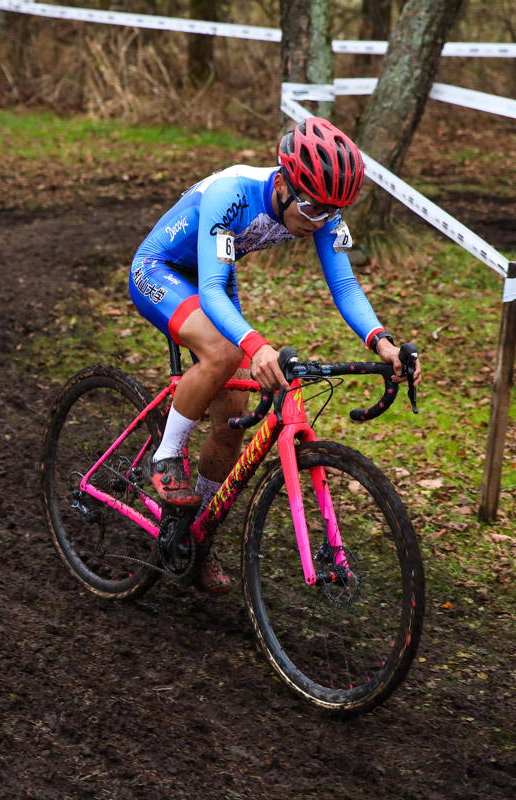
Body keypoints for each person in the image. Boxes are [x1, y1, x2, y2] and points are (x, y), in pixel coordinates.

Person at [128, 116, 422, 595]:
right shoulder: (234, 193)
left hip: (216, 274)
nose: (316, 221)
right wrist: (255, 345)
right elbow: (209, 291)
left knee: (232, 420)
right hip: (161, 269)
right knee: (223, 354)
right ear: (283, 182)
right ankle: (165, 456)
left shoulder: (321, 208)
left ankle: (192, 534)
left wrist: (382, 341)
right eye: (308, 207)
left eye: (328, 212)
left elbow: (345, 285)